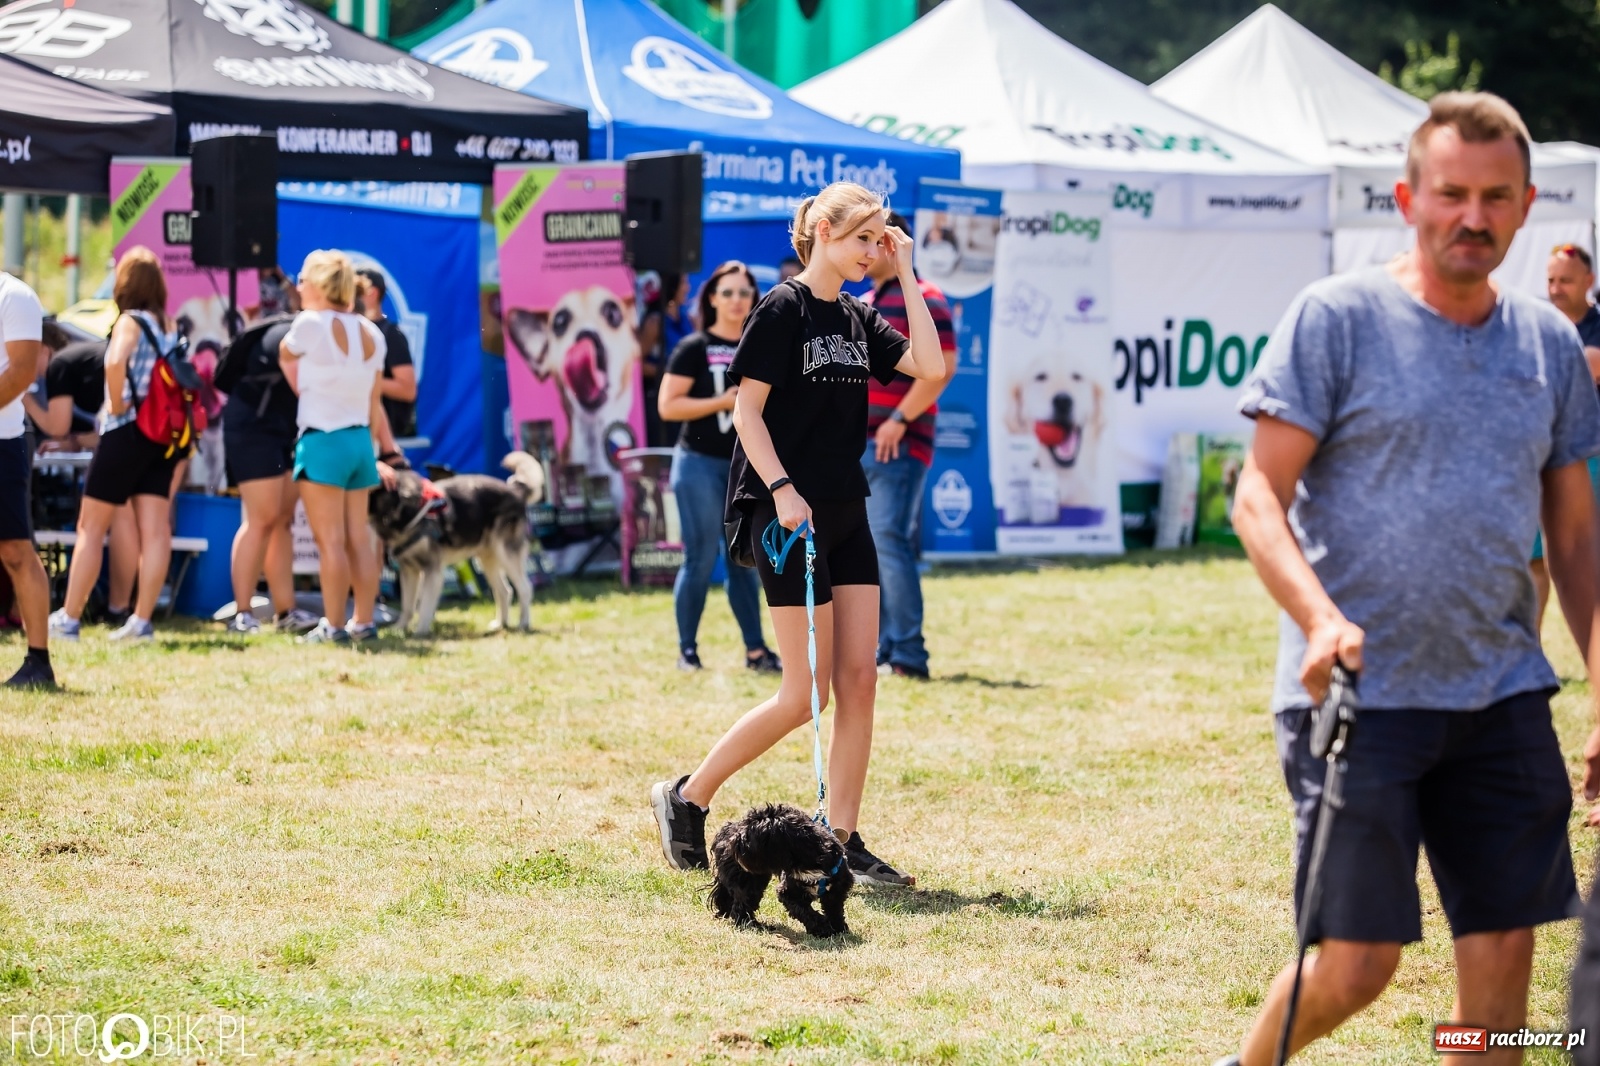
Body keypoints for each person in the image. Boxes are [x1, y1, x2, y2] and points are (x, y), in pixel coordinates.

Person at [1219, 93, 1600, 1066]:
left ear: (1526, 208)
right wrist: (1317, 619)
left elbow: (1574, 537)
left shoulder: (1549, 344)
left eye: (1496, 198)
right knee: (1357, 965)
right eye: (1450, 194)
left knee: (1502, 969)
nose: (1473, 217)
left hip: (1501, 693)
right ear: (1406, 199)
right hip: (1359, 694)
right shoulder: (1337, 318)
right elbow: (1257, 496)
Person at [650, 182, 949, 884]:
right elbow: (747, 414)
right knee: (804, 693)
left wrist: (906, 271)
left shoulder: (859, 317)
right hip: (784, 514)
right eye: (863, 238)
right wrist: (783, 490)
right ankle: (688, 795)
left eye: (879, 239)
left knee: (860, 682)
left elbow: (931, 368)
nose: (872, 250)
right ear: (823, 231)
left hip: (846, 511)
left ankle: (839, 841)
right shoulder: (782, 308)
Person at [48, 247, 184, 644]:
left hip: (126, 431)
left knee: (91, 527)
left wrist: (118, 403)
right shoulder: (169, 324)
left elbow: (114, 361)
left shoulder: (130, 321)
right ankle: (141, 621)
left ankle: (69, 619)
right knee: (155, 529)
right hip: (162, 437)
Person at [657, 261, 781, 674]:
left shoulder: (763, 345)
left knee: (743, 559)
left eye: (744, 292)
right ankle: (687, 652)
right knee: (698, 559)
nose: (736, 300)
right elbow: (668, 406)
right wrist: (722, 402)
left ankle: (756, 651)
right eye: (727, 292)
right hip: (697, 465)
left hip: (744, 469)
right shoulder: (694, 347)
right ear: (711, 298)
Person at [862, 211, 957, 680]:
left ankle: (908, 655)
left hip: (895, 446)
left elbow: (944, 367)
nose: (864, 251)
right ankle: (885, 649)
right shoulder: (865, 301)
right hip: (860, 447)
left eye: (871, 240)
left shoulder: (926, 296)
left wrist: (898, 420)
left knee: (888, 541)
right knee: (872, 548)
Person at [281, 250, 387, 645]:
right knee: (359, 539)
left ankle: (334, 625)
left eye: (303, 279)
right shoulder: (372, 332)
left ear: (320, 285)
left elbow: (284, 355)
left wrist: (306, 389)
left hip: (323, 438)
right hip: (360, 440)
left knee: (330, 544)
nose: (298, 287)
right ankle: (364, 621)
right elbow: (374, 401)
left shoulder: (309, 323)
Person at [223, 316, 319, 636]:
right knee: (261, 519)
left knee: (281, 519)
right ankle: (242, 613)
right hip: (253, 428)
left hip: (288, 430)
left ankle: (285, 611)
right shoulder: (289, 333)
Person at [1530, 242, 1600, 630]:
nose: (1556, 289)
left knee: (1587, 558)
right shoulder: (1539, 326)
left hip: (1591, 457)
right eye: (1551, 280)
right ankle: (1529, 650)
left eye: (1566, 281)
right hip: (1540, 454)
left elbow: (1586, 367)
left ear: (1589, 281)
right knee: (1534, 561)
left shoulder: (1596, 328)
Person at [0, 268, 54, 686]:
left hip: (4, 442)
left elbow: (22, 372)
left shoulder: (14, 296)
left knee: (16, 551)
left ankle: (39, 660)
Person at [356, 269, 417, 438]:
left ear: (372, 292)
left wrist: (360, 379)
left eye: (356, 289)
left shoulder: (391, 335)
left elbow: (408, 389)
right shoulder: (350, 330)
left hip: (386, 435)